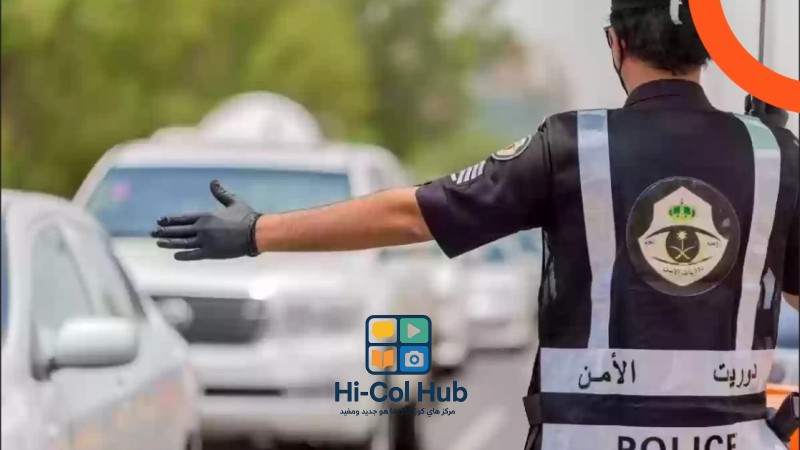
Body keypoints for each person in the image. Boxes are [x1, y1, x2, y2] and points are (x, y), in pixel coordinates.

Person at [152, 0, 799, 448]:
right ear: (709, 52)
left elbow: (412, 214)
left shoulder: (572, 146)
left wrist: (258, 231)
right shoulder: (774, 157)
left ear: (615, 43)